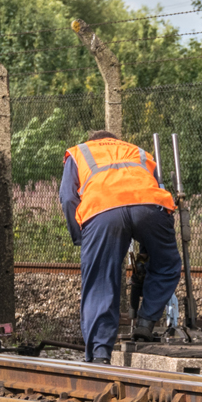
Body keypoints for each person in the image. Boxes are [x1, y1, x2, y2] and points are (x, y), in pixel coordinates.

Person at [60, 129, 181, 364]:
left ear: (92, 141)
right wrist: (147, 247)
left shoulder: (79, 153)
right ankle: (146, 322)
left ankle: (100, 353)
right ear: (115, 141)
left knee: (100, 278)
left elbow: (67, 197)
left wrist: (82, 238)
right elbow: (157, 186)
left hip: (102, 211)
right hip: (149, 207)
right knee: (167, 263)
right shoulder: (139, 152)